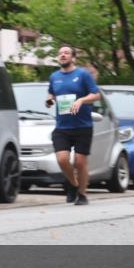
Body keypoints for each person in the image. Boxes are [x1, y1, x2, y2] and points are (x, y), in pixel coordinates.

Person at [45, 46, 101, 205]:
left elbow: (96, 95)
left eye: (66, 53)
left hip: (82, 126)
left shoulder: (82, 74)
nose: (63, 55)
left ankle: (82, 195)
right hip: (62, 126)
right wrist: (49, 100)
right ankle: (74, 185)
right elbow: (51, 93)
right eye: (60, 53)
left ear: (73, 58)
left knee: (80, 162)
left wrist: (81, 100)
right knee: (62, 159)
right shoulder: (54, 76)